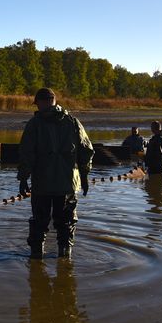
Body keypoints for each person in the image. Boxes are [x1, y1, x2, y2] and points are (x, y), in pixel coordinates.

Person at [17, 88, 94, 259]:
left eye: (37, 103)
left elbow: (26, 154)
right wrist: (84, 176)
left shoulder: (34, 124)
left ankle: (36, 260)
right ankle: (65, 260)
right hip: (68, 184)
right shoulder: (73, 122)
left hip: (42, 185)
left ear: (43, 101)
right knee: (66, 223)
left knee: (39, 223)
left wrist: (23, 179)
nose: (37, 107)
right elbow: (86, 151)